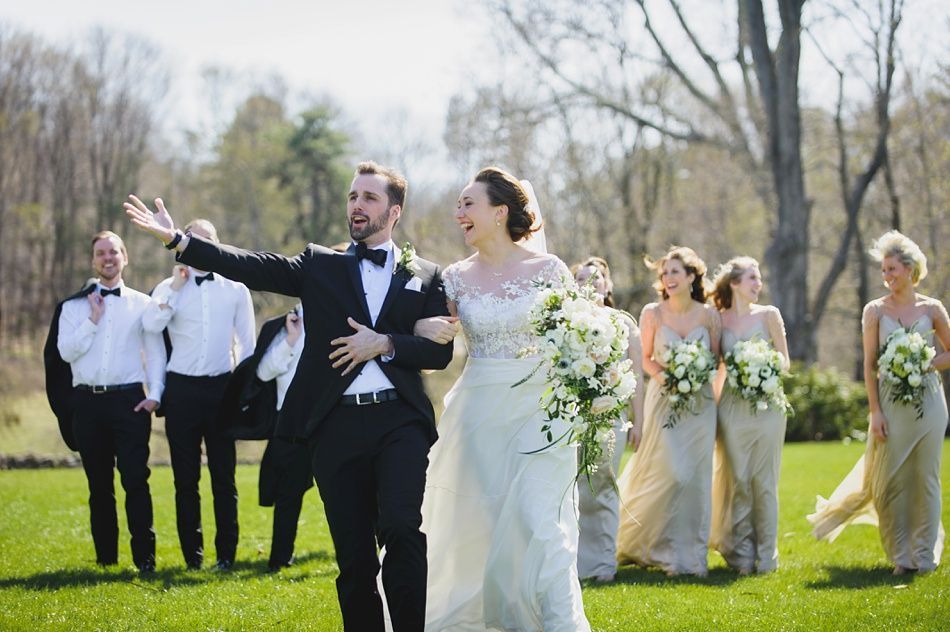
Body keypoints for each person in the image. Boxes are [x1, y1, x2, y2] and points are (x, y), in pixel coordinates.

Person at [126, 161, 453, 631]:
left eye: (369, 198)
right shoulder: (321, 265)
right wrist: (180, 242)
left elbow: (439, 355)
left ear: (394, 212)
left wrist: (387, 343)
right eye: (352, 196)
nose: (357, 205)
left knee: (402, 529)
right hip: (335, 426)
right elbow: (252, 265)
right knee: (355, 555)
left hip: (399, 422)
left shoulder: (424, 274)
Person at [418, 167, 590, 630]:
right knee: (489, 522)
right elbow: (433, 349)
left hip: (544, 413)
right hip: (478, 415)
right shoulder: (454, 279)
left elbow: (577, 341)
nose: (459, 214)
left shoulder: (549, 271)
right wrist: (421, 329)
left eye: (467, 204)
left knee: (541, 520)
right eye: (458, 205)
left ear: (500, 212)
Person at [808, 231, 949, 574]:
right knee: (888, 482)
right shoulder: (874, 311)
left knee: (926, 478)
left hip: (928, 401)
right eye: (883, 270)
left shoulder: (931, 309)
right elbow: (870, 366)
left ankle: (924, 556)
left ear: (910, 268)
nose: (887, 276)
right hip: (889, 405)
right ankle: (900, 556)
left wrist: (924, 363)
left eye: (892, 269)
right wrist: (875, 411)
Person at [142, 219, 256, 571]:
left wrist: (245, 393)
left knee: (225, 479)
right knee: (185, 481)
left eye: (209, 241)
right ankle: (193, 558)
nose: (202, 247)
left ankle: (226, 556)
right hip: (181, 392)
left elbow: (248, 346)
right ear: (183, 245)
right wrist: (175, 289)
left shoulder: (236, 289)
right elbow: (150, 326)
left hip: (222, 390)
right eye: (195, 241)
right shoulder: (167, 288)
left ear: (218, 245)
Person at [52, 230, 166, 573]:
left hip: (130, 402)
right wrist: (92, 320)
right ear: (93, 260)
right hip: (87, 403)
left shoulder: (142, 305)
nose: (108, 258)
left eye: (114, 252)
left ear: (125, 257)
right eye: (101, 253)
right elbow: (65, 352)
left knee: (135, 480)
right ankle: (105, 560)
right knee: (99, 485)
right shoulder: (72, 307)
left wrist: (156, 395)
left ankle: (145, 560)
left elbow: (156, 352)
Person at [615, 246, 720, 577]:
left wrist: (695, 378)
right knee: (671, 473)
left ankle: (692, 557)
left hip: (701, 406)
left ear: (691, 276)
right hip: (663, 400)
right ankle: (659, 549)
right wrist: (671, 377)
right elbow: (645, 358)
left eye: (675, 272)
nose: (668, 278)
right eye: (664, 274)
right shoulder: (652, 313)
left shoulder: (709, 315)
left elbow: (716, 360)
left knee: (696, 480)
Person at [709, 257, 790, 574]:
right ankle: (742, 555)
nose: (758, 285)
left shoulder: (769, 315)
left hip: (769, 405)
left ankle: (768, 556)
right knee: (739, 480)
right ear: (734, 283)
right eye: (752, 279)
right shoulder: (719, 320)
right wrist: (714, 412)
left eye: (759, 279)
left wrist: (762, 364)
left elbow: (785, 360)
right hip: (732, 408)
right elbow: (718, 370)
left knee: (765, 481)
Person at [571, 256, 645, 583]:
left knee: (603, 486)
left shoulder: (625, 323)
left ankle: (602, 565)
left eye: (596, 278)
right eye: (582, 279)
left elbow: (638, 377)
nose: (590, 284)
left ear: (608, 285)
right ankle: (573, 563)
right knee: (575, 489)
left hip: (612, 419)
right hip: (574, 419)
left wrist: (637, 421)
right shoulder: (568, 322)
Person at [254, 305, 315, 571]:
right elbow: (264, 373)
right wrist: (291, 339)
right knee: (288, 494)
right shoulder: (284, 326)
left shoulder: (342, 314)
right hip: (289, 423)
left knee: (350, 493)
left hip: (332, 420)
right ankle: (280, 558)